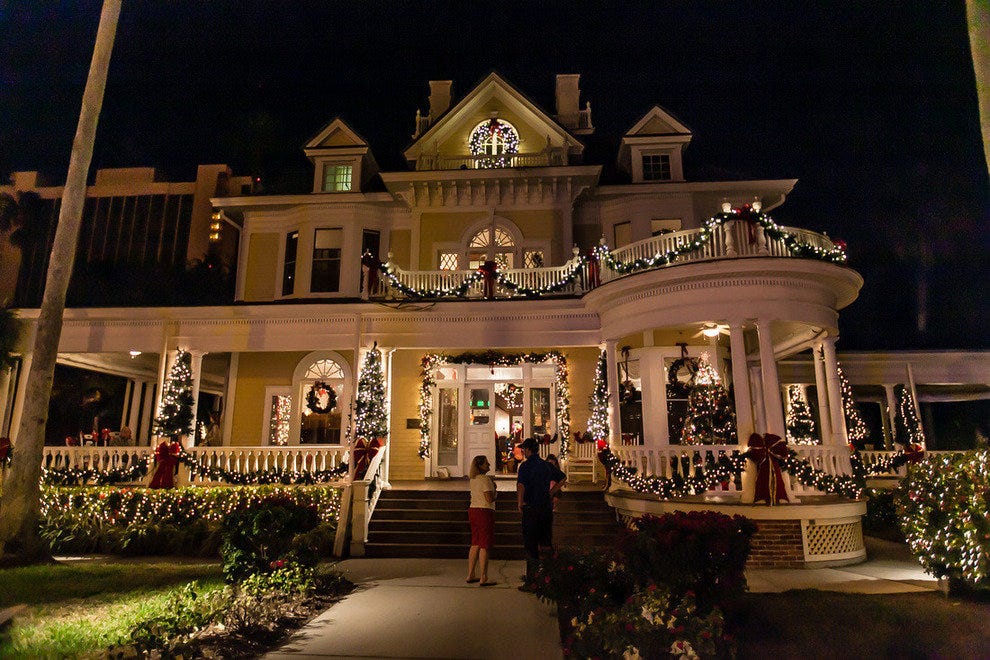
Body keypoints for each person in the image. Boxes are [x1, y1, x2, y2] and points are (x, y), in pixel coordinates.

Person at [516, 437, 566, 591]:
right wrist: (550, 493)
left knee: (531, 544)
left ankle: (532, 581)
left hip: (531, 508)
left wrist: (519, 503)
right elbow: (563, 478)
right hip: (545, 508)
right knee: (545, 543)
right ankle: (549, 578)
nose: (522, 451)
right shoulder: (546, 465)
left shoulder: (525, 466)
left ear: (528, 449)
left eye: (524, 449)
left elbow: (521, 485)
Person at [466, 454, 497, 586]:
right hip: (484, 512)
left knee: (475, 543)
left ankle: (470, 574)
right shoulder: (485, 480)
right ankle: (483, 576)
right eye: (486, 463)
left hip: (473, 510)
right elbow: (489, 499)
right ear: (480, 466)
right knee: (484, 544)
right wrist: (495, 492)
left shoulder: (473, 479)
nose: (489, 465)